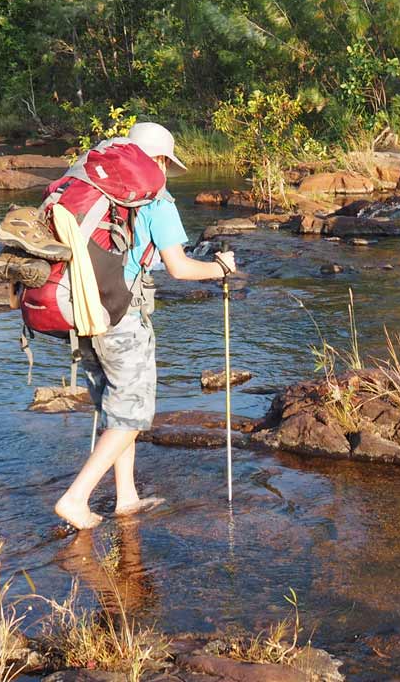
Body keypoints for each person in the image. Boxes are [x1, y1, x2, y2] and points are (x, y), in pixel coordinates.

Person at [54, 121, 237, 532]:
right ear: (158, 161)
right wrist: (219, 268)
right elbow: (179, 267)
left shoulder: (92, 186)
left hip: (81, 310)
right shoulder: (157, 199)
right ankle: (75, 498)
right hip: (121, 315)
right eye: (166, 164)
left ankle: (126, 496)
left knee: (115, 407)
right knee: (132, 414)